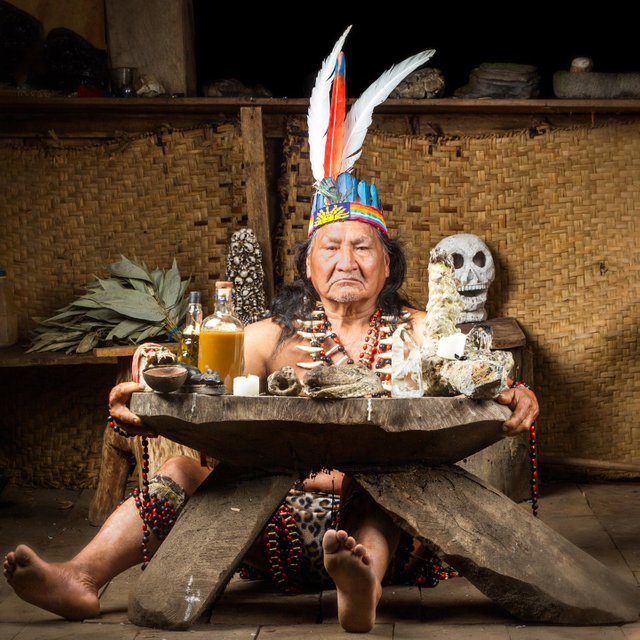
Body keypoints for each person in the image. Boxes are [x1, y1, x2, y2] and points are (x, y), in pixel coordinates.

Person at [3, 31, 539, 634]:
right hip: (265, 528)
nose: (346, 261)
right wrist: (144, 399)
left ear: (388, 265)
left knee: (378, 490)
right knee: (179, 474)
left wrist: (514, 394)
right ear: (308, 265)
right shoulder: (265, 337)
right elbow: (201, 390)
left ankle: (359, 583)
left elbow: (482, 376)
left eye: (363, 247)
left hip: (393, 523)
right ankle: (82, 576)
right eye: (330, 248)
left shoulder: (421, 332)